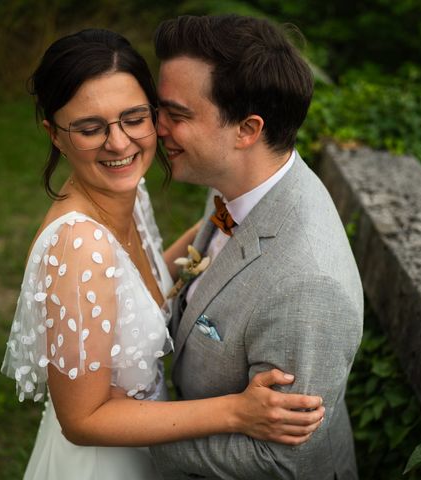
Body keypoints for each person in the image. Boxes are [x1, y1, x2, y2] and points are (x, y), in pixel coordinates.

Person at [0, 28, 325, 480]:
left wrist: (233, 212)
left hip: (145, 446)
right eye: (90, 128)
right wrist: (236, 412)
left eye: (134, 118)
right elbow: (83, 419)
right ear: (54, 135)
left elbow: (137, 284)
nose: (119, 144)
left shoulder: (128, 193)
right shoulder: (79, 247)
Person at [151, 14, 364, 480]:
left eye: (177, 115)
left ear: (247, 130)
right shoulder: (236, 181)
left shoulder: (307, 286)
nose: (154, 127)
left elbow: (283, 461)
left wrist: (130, 436)